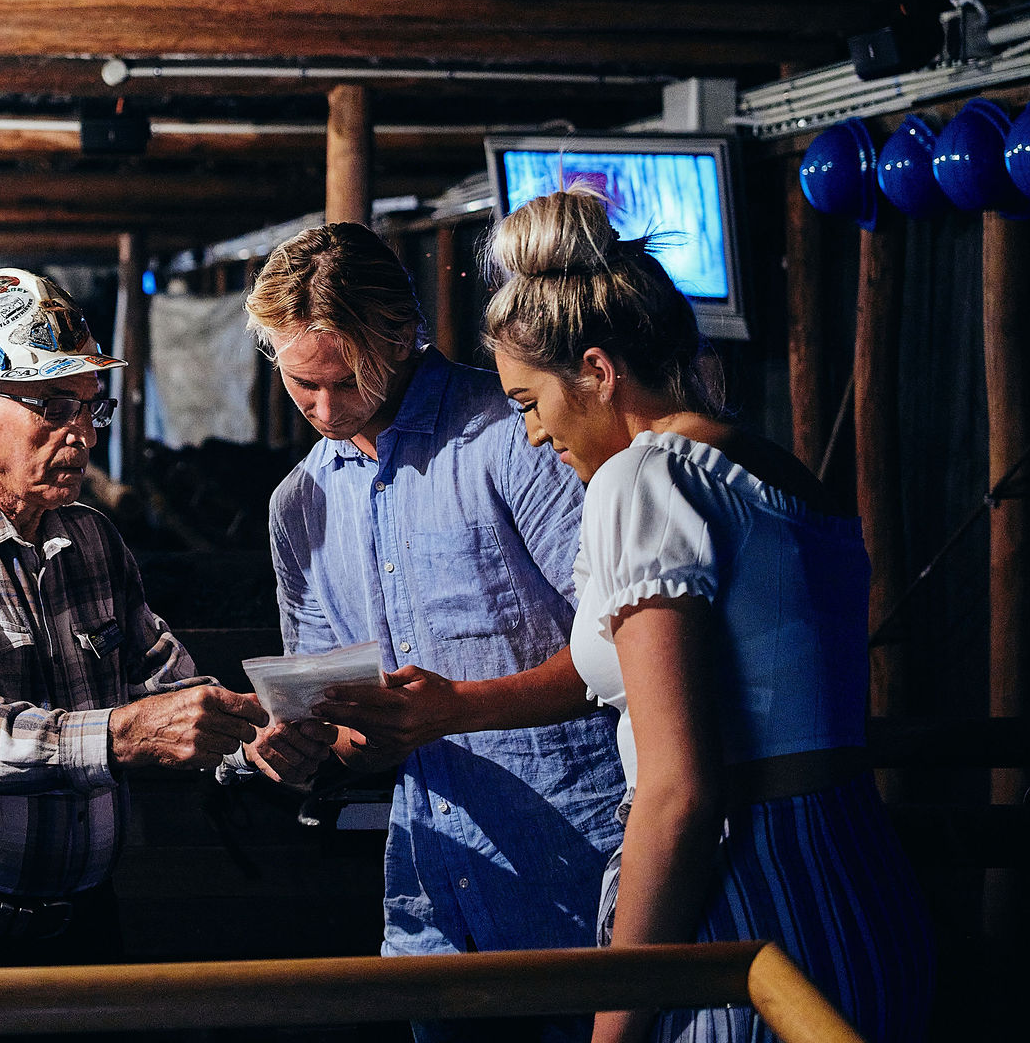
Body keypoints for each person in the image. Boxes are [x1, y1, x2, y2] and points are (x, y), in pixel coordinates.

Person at [480, 188, 933, 1043]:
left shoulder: (644, 479)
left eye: (528, 403)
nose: (533, 435)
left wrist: (615, 1024)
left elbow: (681, 791)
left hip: (750, 900)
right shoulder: (766, 464)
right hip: (859, 879)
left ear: (598, 371)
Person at [236, 223, 626, 1021]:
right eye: (297, 383)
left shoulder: (518, 436)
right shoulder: (300, 504)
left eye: (343, 381)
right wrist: (304, 748)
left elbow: (631, 646)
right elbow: (347, 721)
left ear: (405, 335)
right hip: (432, 892)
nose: (320, 407)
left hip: (582, 867)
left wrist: (460, 709)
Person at [0, 267, 268, 970]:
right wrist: (123, 735)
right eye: (51, 406)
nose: (82, 435)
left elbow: (165, 684)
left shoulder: (91, 539)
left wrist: (255, 737)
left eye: (91, 407)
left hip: (83, 917)